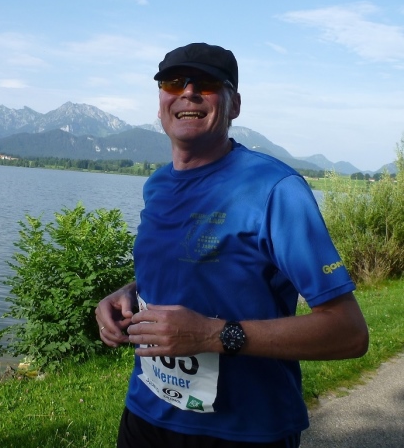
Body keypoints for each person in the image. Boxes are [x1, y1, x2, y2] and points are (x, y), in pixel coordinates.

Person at [95, 42, 369, 448]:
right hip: (146, 413)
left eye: (206, 83)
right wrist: (130, 294)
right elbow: (186, 269)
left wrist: (212, 335)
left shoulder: (274, 189)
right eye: (173, 83)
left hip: (245, 430)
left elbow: (349, 332)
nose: (188, 92)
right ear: (161, 102)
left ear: (234, 105)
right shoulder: (158, 185)